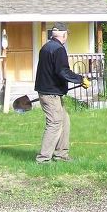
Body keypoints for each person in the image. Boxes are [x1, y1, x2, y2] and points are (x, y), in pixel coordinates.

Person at [34, 23, 90, 163]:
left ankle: (61, 155)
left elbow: (54, 71)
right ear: (64, 35)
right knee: (55, 122)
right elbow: (62, 71)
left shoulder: (46, 47)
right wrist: (80, 79)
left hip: (50, 91)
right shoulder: (59, 49)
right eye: (67, 35)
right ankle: (43, 158)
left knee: (65, 121)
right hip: (50, 93)